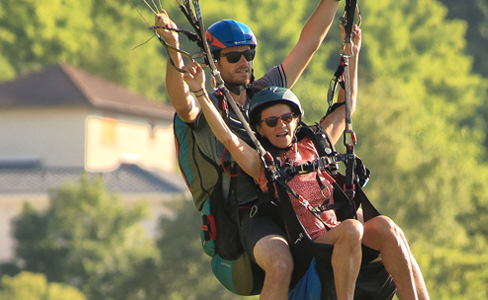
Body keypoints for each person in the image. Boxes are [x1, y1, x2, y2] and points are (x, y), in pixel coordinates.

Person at [181, 27, 431, 300]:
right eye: (272, 122)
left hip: (334, 230)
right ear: (260, 130)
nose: (282, 126)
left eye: (287, 118)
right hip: (309, 244)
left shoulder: (314, 144)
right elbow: (229, 140)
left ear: (297, 121)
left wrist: (353, 53)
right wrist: (202, 94)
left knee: (387, 227)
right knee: (353, 228)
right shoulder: (263, 165)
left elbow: (346, 107)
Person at [154, 1, 340, 299]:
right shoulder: (208, 105)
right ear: (214, 62)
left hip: (287, 204)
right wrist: (173, 49)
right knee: (281, 264)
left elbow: (309, 44)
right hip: (244, 216)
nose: (245, 62)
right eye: (234, 56)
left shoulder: (264, 96)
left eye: (249, 54)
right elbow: (181, 101)